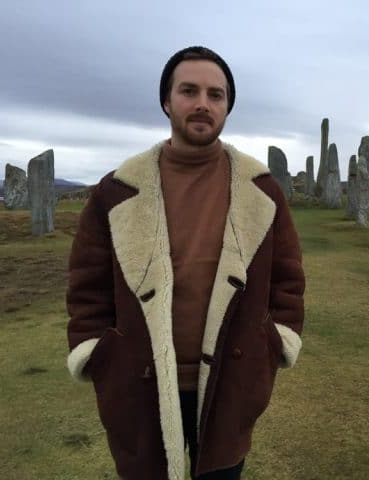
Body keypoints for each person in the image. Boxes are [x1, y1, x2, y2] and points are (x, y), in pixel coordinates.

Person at [66, 46, 305, 480]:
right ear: (166, 101)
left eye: (216, 95)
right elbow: (87, 286)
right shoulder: (116, 192)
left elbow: (288, 282)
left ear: (228, 107)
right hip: (139, 385)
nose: (202, 103)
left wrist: (277, 340)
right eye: (189, 91)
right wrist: (98, 353)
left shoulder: (262, 192)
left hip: (231, 384)